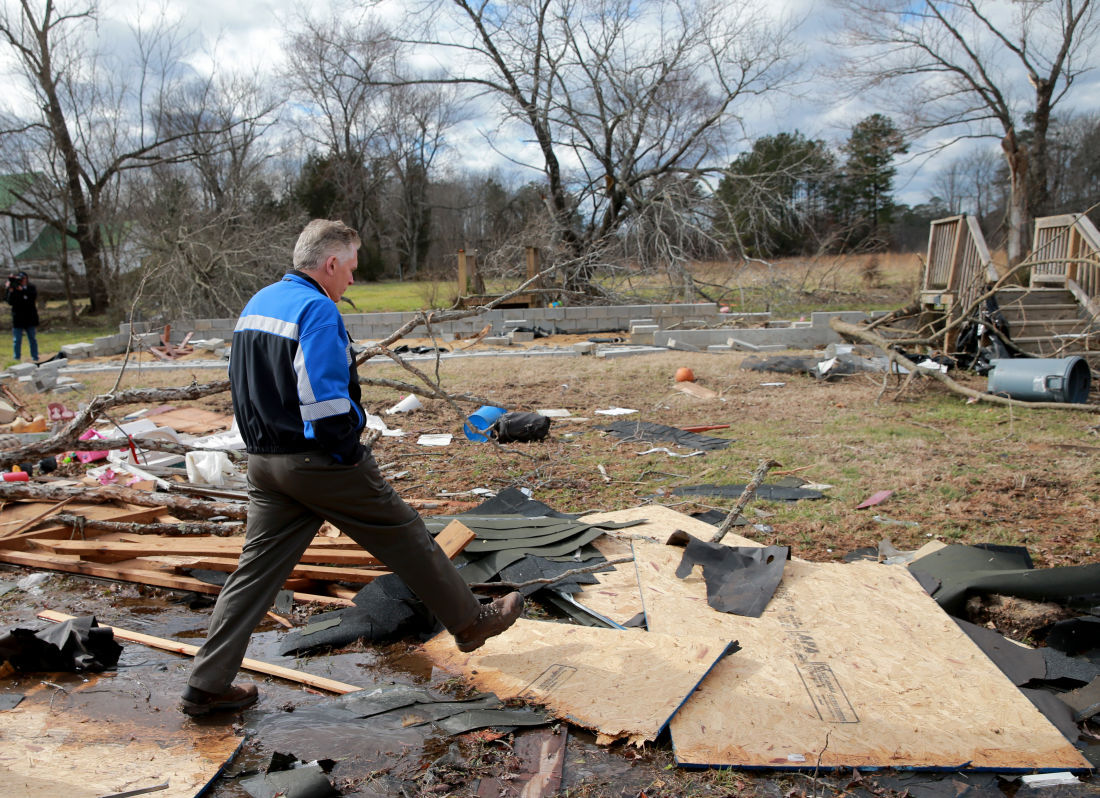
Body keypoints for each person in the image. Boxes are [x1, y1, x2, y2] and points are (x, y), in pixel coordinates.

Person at [180, 219, 523, 717]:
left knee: (253, 576)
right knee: (406, 534)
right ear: (331, 263)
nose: (353, 282)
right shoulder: (316, 309)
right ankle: (471, 623)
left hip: (263, 464)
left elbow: (244, 384)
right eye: (352, 269)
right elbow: (324, 403)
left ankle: (206, 685)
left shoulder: (261, 302)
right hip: (316, 461)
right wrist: (348, 449)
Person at [4, 270, 38, 362]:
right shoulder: (14, 288)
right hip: (18, 318)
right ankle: (17, 358)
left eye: (24, 279)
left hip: (30, 318)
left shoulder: (31, 288)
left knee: (32, 339)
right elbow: (9, 301)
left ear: (27, 279)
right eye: (20, 279)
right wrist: (10, 291)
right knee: (17, 340)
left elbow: (31, 298)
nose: (22, 280)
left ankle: (35, 357)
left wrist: (22, 290)